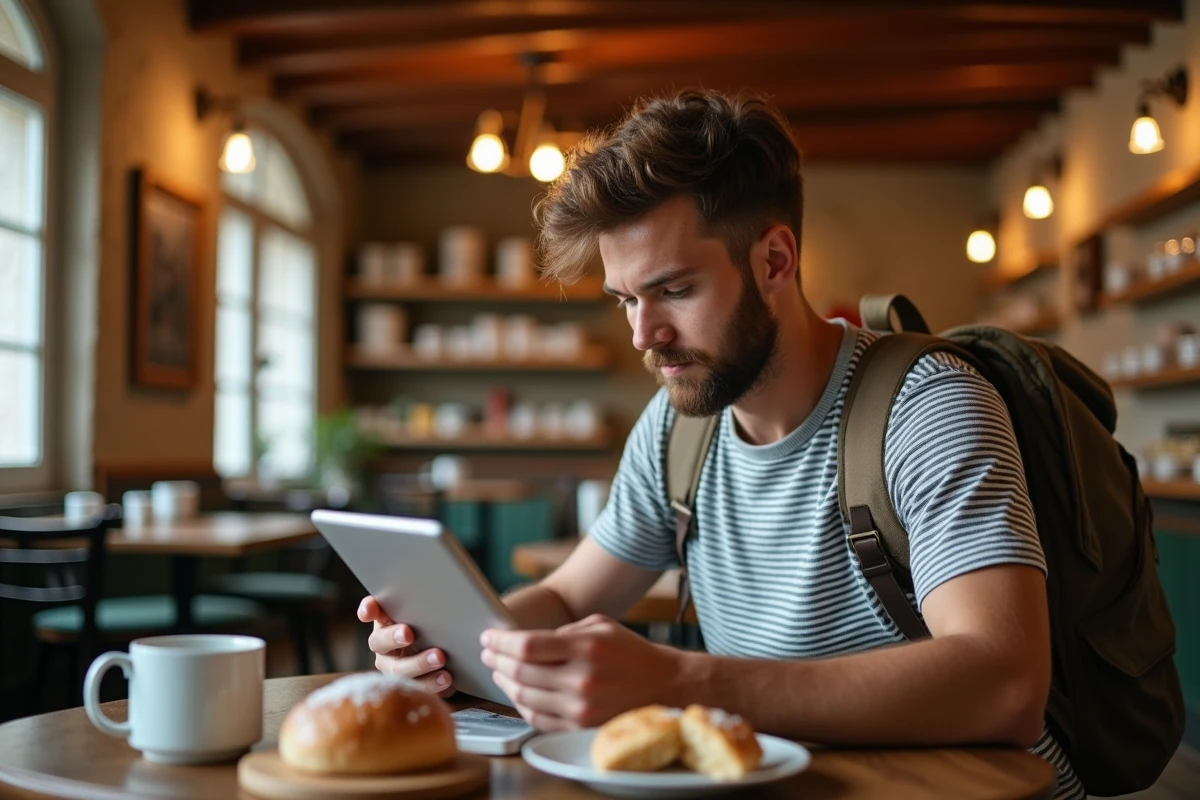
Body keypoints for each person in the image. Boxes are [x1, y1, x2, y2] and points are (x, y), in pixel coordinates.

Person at [358, 89, 1083, 799]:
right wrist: (454, 649)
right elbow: (567, 593)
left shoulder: (928, 406)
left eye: (673, 291)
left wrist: (680, 683)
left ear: (774, 262)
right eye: (627, 300)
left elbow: (1005, 684)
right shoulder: (677, 427)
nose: (644, 336)